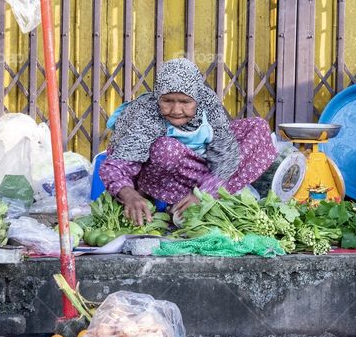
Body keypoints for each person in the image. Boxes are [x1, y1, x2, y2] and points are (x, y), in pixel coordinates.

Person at [99, 58, 276, 225]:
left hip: (205, 170)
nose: (176, 110)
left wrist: (203, 193)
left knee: (257, 127)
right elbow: (115, 165)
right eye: (167, 101)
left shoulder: (208, 103)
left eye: (185, 102)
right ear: (158, 96)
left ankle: (206, 196)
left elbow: (226, 152)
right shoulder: (147, 113)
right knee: (165, 149)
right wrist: (128, 193)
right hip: (164, 174)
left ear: (197, 99)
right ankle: (177, 205)